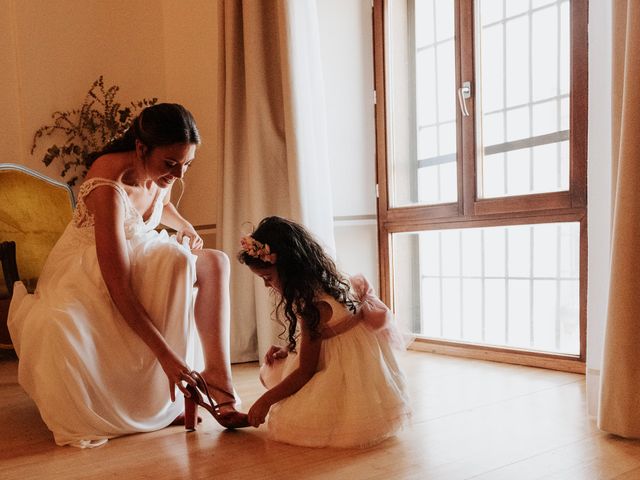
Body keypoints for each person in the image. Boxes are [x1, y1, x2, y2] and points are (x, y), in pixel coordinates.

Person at [8, 103, 247, 448]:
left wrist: (185, 225)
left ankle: (219, 378)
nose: (179, 175)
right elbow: (117, 283)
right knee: (177, 264)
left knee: (216, 261)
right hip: (92, 271)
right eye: (170, 164)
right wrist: (168, 358)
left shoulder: (161, 171)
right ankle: (155, 394)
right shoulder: (107, 182)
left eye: (187, 165)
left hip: (141, 251)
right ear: (140, 148)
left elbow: (160, 200)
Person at [238, 216, 411, 448]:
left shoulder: (314, 307)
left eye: (268, 278)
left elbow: (305, 371)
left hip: (342, 373)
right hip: (365, 369)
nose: (267, 285)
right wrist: (289, 349)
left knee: (290, 412)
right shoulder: (336, 282)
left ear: (289, 270)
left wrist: (265, 401)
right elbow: (334, 332)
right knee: (278, 368)